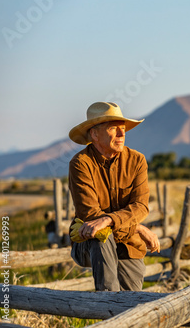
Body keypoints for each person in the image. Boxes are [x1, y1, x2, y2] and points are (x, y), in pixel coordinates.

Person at [68, 101, 160, 291]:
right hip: (89, 243)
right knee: (99, 233)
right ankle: (106, 303)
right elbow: (91, 216)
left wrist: (110, 219)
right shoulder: (81, 163)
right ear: (94, 134)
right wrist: (138, 229)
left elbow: (141, 207)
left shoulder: (137, 160)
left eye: (123, 128)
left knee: (131, 304)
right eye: (114, 128)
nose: (121, 134)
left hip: (128, 245)